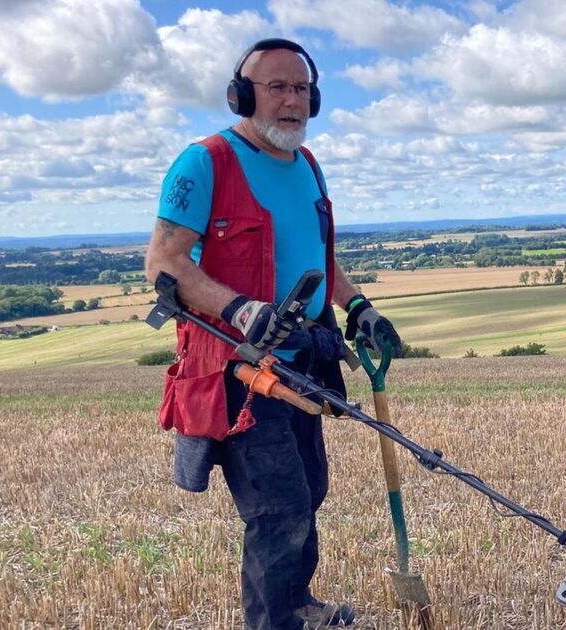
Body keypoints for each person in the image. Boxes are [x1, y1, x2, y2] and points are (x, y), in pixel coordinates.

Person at [144, 37, 402, 630]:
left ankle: (296, 604)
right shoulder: (205, 162)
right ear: (242, 95)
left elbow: (317, 256)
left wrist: (358, 306)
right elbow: (163, 263)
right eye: (276, 87)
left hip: (305, 360)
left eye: (302, 89)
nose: (292, 100)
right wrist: (238, 309)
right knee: (277, 508)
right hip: (241, 368)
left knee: (308, 490)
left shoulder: (307, 165)